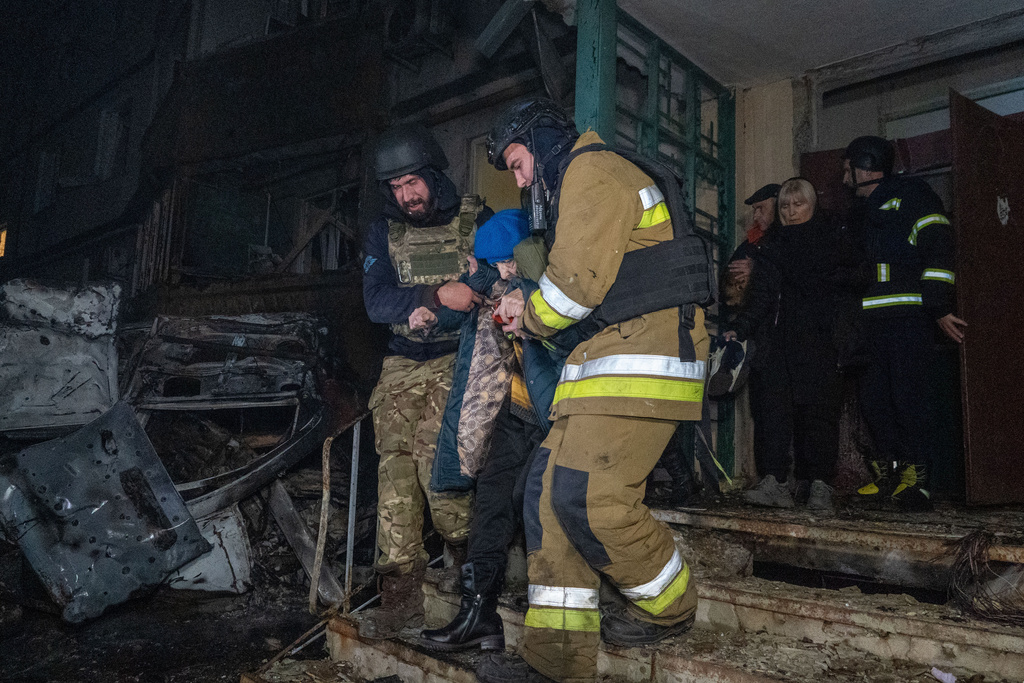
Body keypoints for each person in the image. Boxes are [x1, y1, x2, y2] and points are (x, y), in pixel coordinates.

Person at [476, 98, 707, 683]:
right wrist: (527, 305)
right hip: (609, 360)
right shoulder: (588, 175)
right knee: (547, 496)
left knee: (591, 498)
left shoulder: (591, 170)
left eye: (520, 163)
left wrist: (522, 310)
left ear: (543, 141)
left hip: (645, 361)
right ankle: (555, 661)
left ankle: (672, 605)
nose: (521, 179)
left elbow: (570, 293)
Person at [359, 123, 492, 639]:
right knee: (392, 473)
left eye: (412, 182)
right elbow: (375, 302)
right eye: (395, 187)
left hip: (457, 359)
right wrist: (432, 299)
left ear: (434, 176)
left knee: (441, 464)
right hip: (400, 363)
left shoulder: (474, 219)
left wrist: (475, 286)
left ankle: (470, 575)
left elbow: (493, 281)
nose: (406, 195)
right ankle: (400, 596)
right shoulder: (383, 233)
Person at [419, 209, 553, 653]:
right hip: (516, 412)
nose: (502, 272)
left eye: (508, 262)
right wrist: (439, 302)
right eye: (493, 264)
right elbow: (460, 306)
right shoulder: (493, 283)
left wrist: (527, 302)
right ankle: (478, 616)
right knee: (491, 502)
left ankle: (554, 626)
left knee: (532, 501)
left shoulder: (555, 285)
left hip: (559, 414)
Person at [842, 135, 966, 510]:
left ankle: (918, 480)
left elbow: (939, 249)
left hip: (908, 319)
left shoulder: (914, 196)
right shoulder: (855, 213)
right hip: (866, 324)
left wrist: (939, 306)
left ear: (865, 165)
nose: (843, 177)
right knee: (874, 401)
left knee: (909, 399)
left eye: (848, 167)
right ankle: (889, 477)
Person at [725, 178, 862, 512]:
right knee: (773, 414)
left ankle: (819, 485)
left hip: (820, 342)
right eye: (785, 205)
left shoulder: (833, 240)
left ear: (812, 205)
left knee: (818, 415)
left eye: (798, 204)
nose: (791, 211)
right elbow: (760, 298)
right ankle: (775, 482)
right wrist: (739, 329)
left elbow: (858, 278)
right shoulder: (771, 245)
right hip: (778, 344)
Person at [721, 183, 781, 314]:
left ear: (777, 207)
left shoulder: (784, 240)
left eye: (761, 208)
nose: (755, 216)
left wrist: (757, 269)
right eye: (755, 209)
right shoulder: (754, 239)